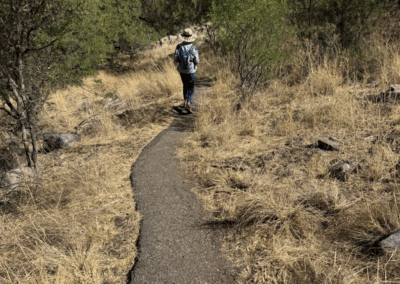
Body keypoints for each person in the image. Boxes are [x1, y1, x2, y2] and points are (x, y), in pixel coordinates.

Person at [174, 28, 199, 114]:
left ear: (183, 36)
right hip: (191, 70)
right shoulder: (193, 47)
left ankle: (185, 101)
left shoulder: (178, 46)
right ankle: (189, 101)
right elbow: (197, 60)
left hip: (182, 70)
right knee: (191, 86)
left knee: (185, 85)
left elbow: (176, 60)